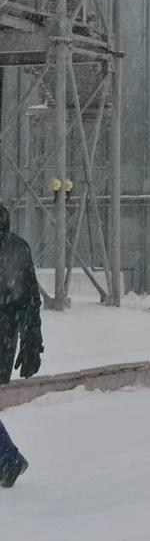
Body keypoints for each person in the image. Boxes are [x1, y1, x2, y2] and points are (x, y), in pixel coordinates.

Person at [0, 203, 43, 487]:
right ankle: (8, 459)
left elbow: (27, 300)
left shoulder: (14, 251)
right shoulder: (18, 248)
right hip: (5, 338)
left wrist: (31, 343)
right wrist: (30, 342)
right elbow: (30, 301)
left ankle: (9, 460)